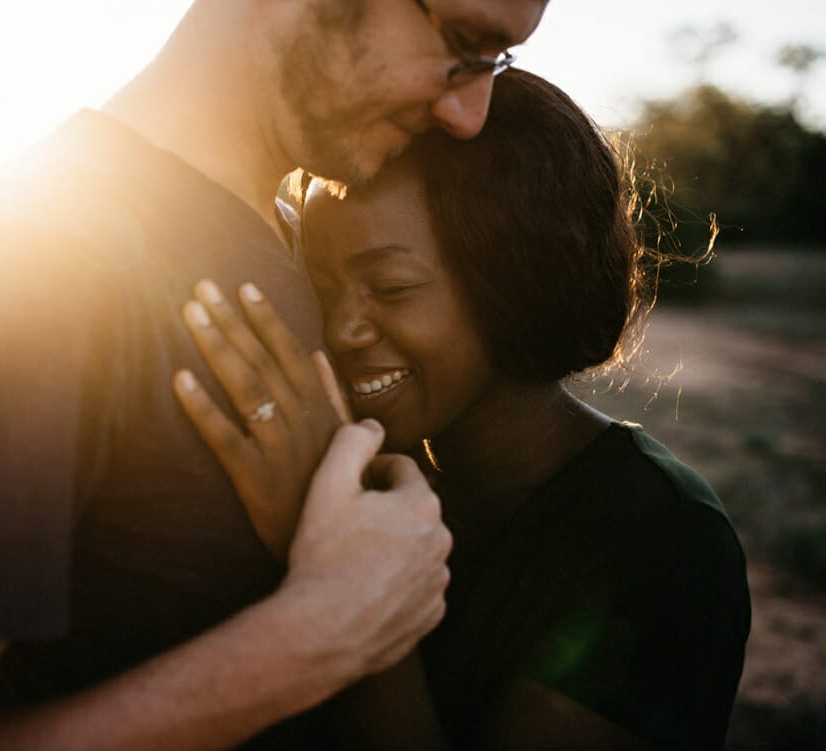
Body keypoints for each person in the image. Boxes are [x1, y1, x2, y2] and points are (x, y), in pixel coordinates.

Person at [0, 1, 550, 749]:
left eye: (497, 61)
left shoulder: (289, 232)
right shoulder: (38, 257)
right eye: (464, 45)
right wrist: (321, 634)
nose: (468, 114)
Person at [173, 69, 750, 750]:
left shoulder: (661, 543)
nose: (343, 327)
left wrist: (345, 571)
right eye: (324, 285)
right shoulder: (367, 456)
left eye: (389, 286)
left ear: (518, 280)